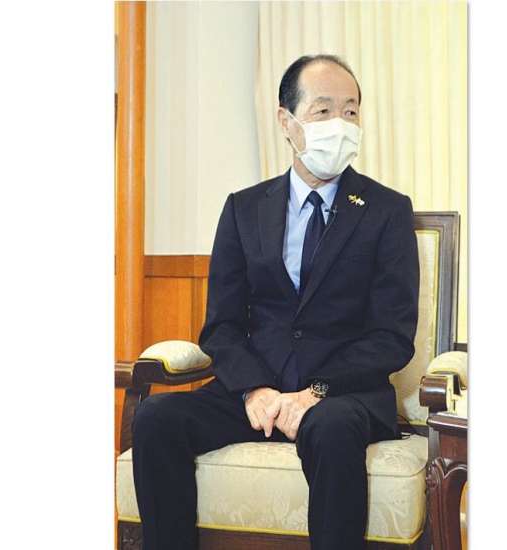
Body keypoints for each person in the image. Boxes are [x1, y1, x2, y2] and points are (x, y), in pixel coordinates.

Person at [131, 54, 420, 550]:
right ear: (287, 122)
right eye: (323, 110)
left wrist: (316, 391)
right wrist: (254, 390)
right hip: (256, 391)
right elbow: (221, 326)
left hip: (342, 396)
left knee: (330, 427)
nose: (340, 124)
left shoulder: (386, 210)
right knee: (156, 419)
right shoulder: (243, 209)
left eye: (351, 111)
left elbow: (392, 335)